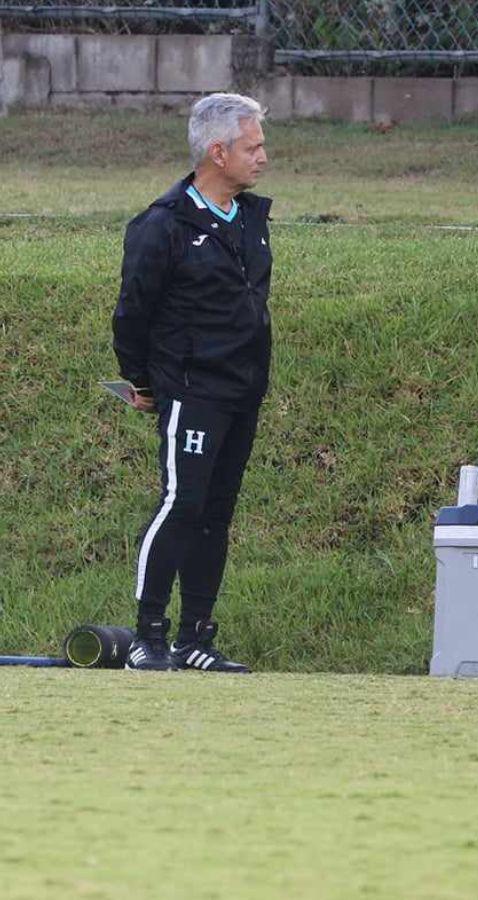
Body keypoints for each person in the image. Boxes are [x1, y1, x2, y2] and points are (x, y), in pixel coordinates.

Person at [113, 93, 272, 672]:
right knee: (180, 503)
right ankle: (146, 637)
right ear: (217, 150)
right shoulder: (163, 224)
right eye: (252, 147)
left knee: (216, 513)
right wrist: (142, 382)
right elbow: (132, 312)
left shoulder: (253, 218)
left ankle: (194, 638)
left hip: (242, 392)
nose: (262, 157)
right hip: (191, 390)